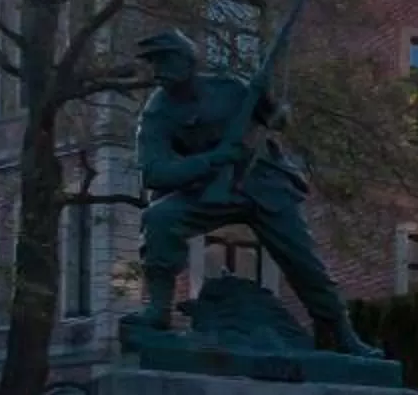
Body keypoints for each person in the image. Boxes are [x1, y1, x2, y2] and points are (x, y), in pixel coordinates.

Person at [123, 28, 381, 358]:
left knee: (304, 263)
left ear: (188, 60)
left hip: (264, 184)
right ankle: (158, 310)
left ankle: (344, 335)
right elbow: (154, 172)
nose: (159, 70)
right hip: (209, 188)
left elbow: (277, 121)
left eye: (165, 60)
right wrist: (212, 160)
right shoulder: (158, 112)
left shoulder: (229, 89)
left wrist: (267, 98)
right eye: (154, 63)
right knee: (159, 219)